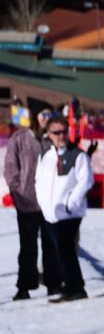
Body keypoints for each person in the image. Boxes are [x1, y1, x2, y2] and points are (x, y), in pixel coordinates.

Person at [34, 113, 93, 302]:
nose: (61, 136)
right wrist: (43, 204)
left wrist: (70, 204)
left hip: (69, 214)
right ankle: (72, 285)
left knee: (66, 250)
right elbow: (39, 181)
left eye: (64, 132)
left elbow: (86, 181)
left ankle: (74, 288)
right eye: (56, 132)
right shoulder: (45, 155)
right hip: (51, 212)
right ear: (48, 134)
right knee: (59, 252)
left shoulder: (77, 155)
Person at [4, 108, 47, 299]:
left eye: (49, 115)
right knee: (27, 246)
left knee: (51, 245)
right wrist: (17, 191)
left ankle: (53, 283)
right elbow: (10, 167)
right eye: (42, 114)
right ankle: (25, 285)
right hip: (27, 201)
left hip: (49, 202)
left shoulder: (53, 138)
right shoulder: (20, 138)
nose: (46, 119)